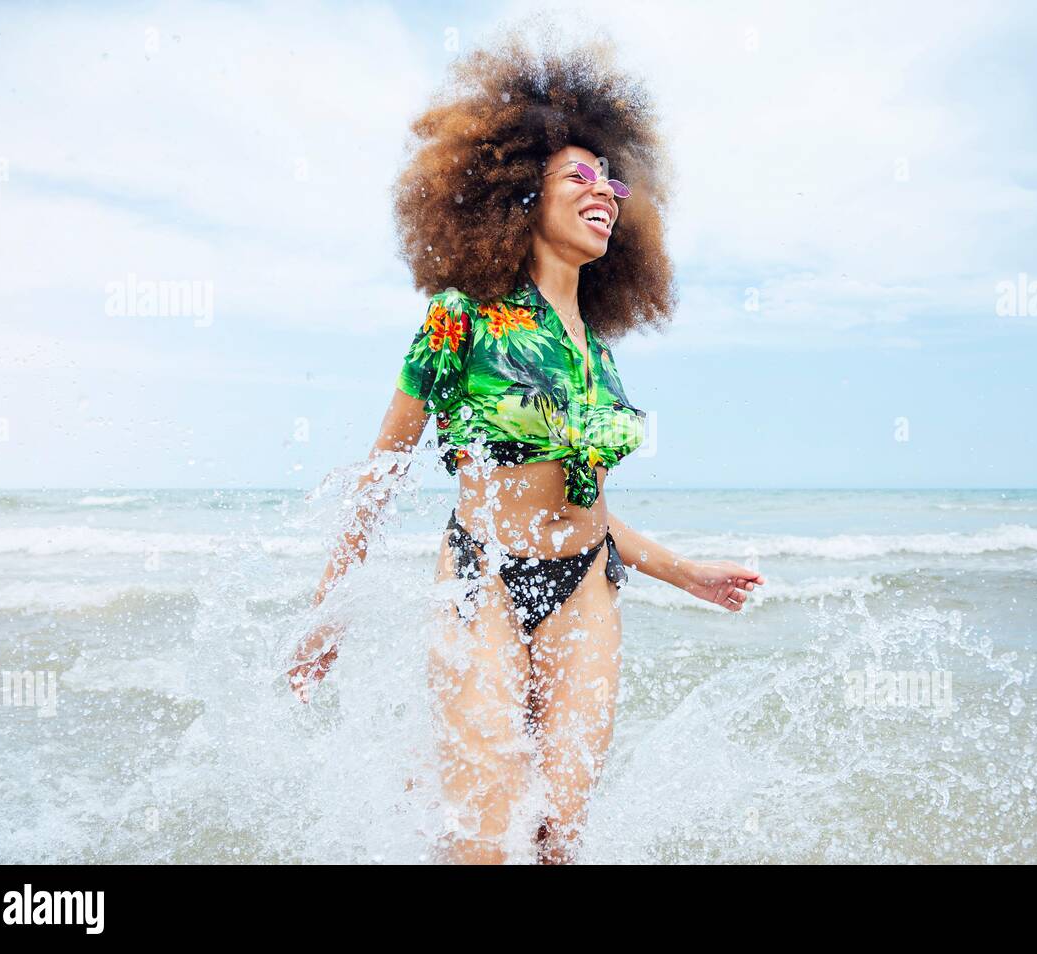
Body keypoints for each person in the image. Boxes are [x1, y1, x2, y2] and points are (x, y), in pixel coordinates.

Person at [287, 25, 765, 864]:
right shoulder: (460, 316)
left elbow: (590, 510)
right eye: (578, 176)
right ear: (522, 196)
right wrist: (328, 614)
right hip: (485, 577)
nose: (605, 192)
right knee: (482, 840)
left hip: (587, 591)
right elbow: (383, 473)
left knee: (558, 839)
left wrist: (688, 572)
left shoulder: (599, 354)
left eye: (611, 181)